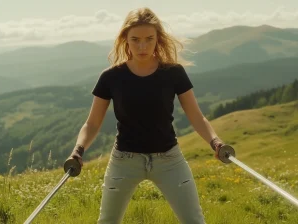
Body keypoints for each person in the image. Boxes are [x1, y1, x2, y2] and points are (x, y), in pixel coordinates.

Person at [64, 7, 234, 224]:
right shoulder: (111, 77)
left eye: (149, 39)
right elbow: (92, 123)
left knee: (195, 221)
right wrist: (78, 151)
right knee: (107, 221)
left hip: (169, 159)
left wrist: (216, 143)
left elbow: (197, 117)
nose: (142, 46)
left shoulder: (173, 73)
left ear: (158, 39)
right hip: (124, 160)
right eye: (135, 39)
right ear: (125, 39)